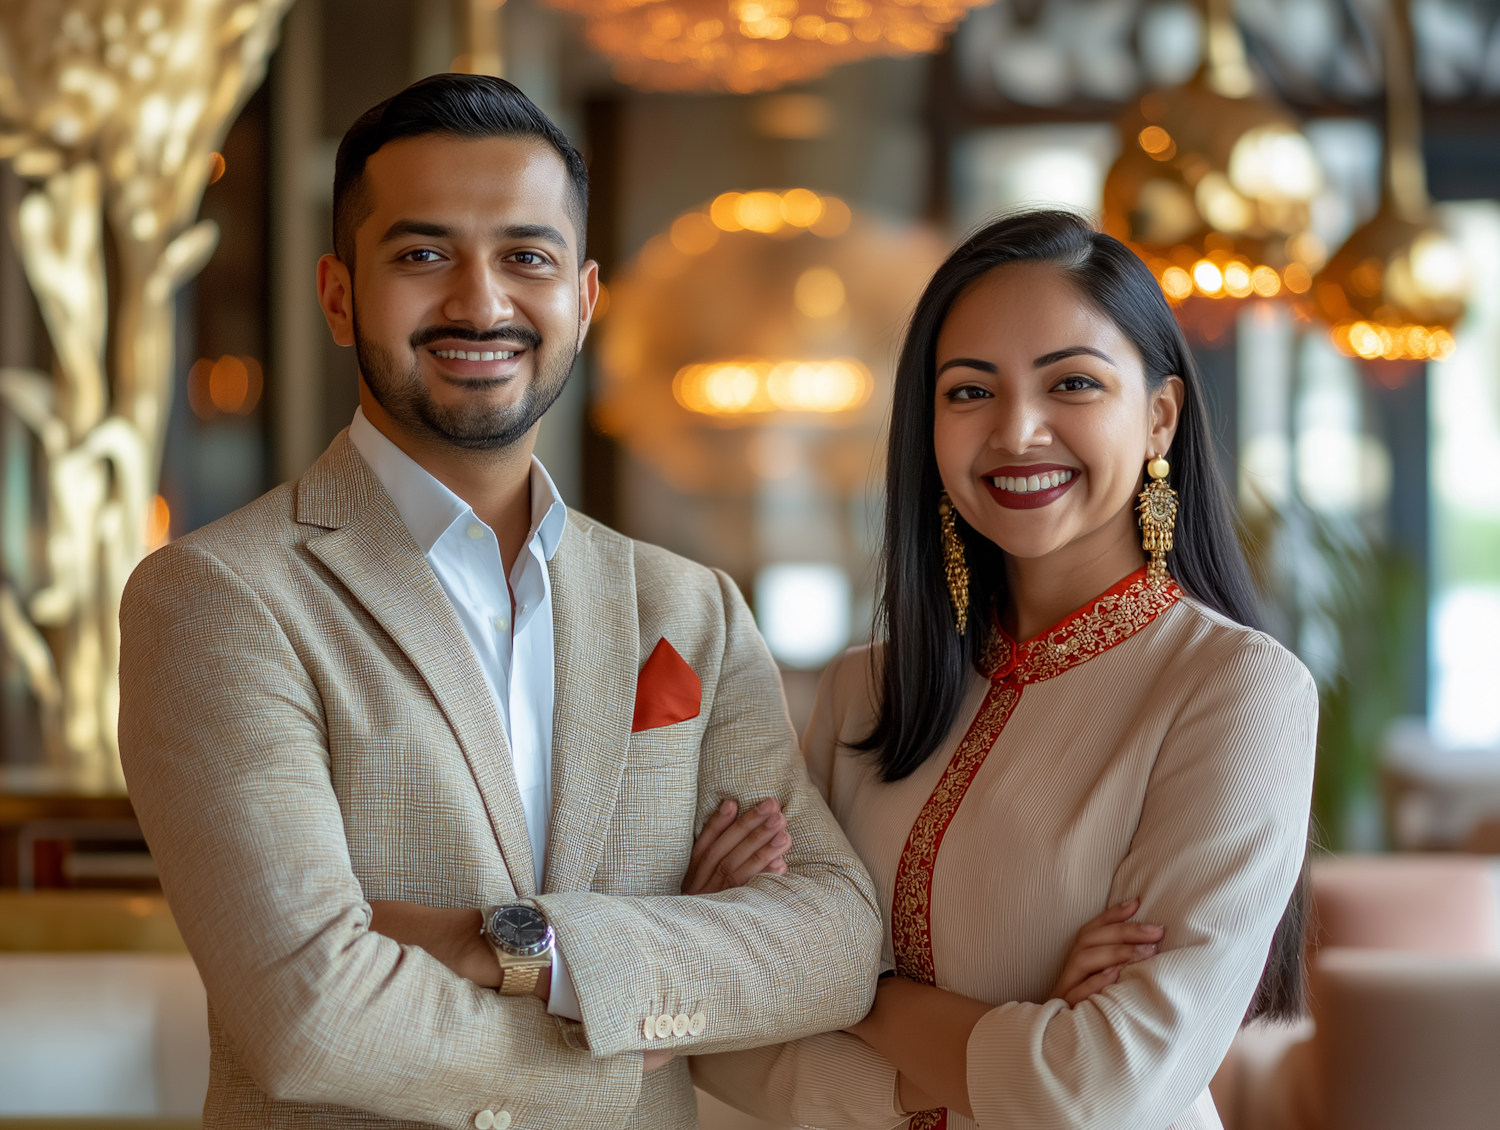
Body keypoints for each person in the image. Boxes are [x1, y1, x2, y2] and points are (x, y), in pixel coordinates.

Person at [117, 74, 885, 1130]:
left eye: (527, 256)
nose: (480, 302)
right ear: (339, 293)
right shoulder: (221, 598)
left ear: (585, 295)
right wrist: (639, 1023)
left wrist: (508, 942)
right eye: (422, 255)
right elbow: (311, 1018)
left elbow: (836, 940)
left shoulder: (687, 604)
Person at [690, 210, 1317, 1130]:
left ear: (1159, 418)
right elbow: (728, 1042)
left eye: (1071, 383)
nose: (1018, 430)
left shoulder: (1235, 691)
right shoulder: (865, 691)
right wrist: (1023, 1037)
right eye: (969, 392)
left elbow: (1101, 1090)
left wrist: (843, 987)